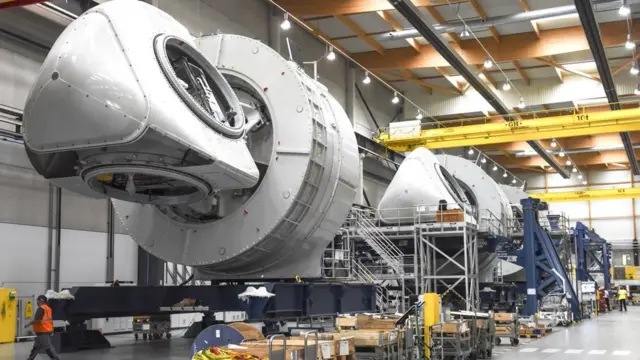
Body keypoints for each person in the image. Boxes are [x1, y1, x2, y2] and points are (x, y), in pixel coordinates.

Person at [24, 295, 60, 360]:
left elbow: (36, 320)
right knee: (36, 346)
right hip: (46, 330)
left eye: (37, 300)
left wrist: (28, 324)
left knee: (48, 347)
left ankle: (56, 358)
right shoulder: (48, 308)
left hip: (43, 331)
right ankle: (30, 358)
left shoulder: (41, 309)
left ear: (41, 301)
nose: (37, 302)